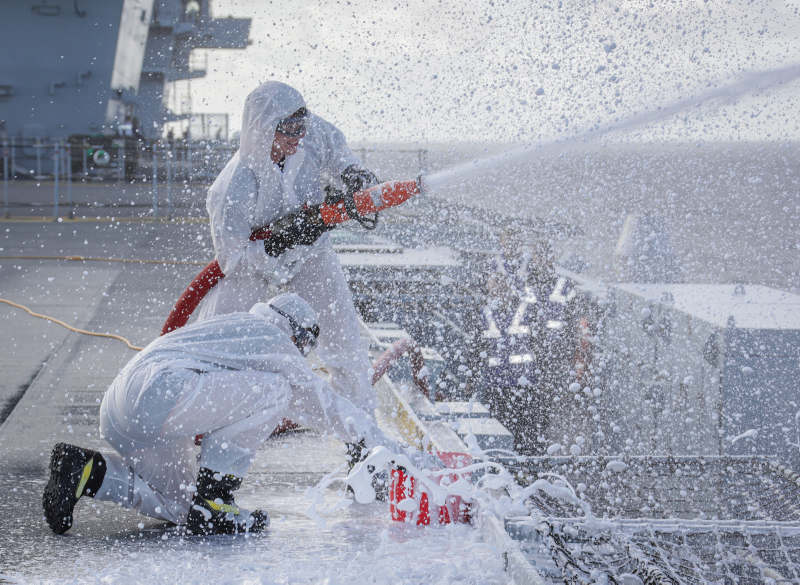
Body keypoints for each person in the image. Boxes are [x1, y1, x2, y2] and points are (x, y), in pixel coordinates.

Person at [42, 293, 398, 536]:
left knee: (182, 507)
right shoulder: (272, 336)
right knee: (279, 390)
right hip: (159, 396)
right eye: (304, 344)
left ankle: (86, 471)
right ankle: (216, 498)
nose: (301, 353)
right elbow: (318, 400)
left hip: (125, 410)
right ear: (295, 329)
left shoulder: (236, 328)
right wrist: (373, 440)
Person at [197, 82, 379, 423]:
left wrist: (352, 173)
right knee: (223, 341)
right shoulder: (231, 187)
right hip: (253, 265)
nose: (298, 137)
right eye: (289, 130)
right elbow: (231, 261)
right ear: (262, 130)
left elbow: (335, 148)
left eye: (301, 127)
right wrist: (276, 244)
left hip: (311, 252)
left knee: (344, 340)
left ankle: (361, 428)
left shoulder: (305, 136)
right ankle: (204, 413)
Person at [479, 224, 581, 454]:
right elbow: (480, 346)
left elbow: (557, 332)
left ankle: (532, 466)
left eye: (546, 256)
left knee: (534, 425)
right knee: (506, 427)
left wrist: (548, 371)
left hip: (533, 373)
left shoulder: (550, 288)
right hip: (502, 379)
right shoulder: (522, 287)